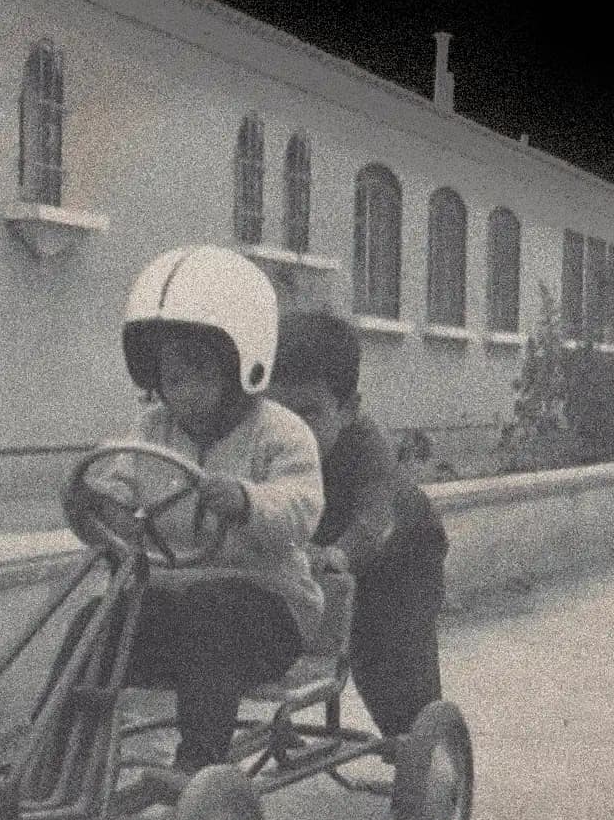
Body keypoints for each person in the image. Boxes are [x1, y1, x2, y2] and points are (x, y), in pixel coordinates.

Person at [59, 245, 325, 789]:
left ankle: (198, 769)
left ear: (239, 361)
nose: (178, 379)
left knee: (211, 611)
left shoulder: (280, 431)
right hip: (174, 602)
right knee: (94, 623)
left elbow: (302, 507)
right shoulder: (151, 430)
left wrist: (248, 502)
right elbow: (110, 479)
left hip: (270, 610)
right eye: (169, 366)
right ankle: (57, 766)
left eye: (197, 364)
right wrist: (100, 506)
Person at [269, 310, 449, 743]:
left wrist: (340, 553)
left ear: (348, 408)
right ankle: (278, 717)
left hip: (402, 557)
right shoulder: (269, 442)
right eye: (278, 412)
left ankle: (419, 747)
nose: (292, 430)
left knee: (389, 659)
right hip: (326, 554)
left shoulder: (367, 448)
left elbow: (375, 521)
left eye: (309, 413)